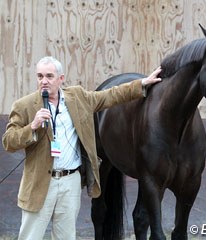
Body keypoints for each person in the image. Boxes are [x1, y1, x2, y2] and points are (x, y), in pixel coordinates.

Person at [2, 56, 162, 240]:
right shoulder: (24, 106)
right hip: (39, 183)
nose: (44, 81)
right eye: (39, 76)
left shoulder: (77, 97)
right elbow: (9, 141)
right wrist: (32, 127)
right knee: (30, 237)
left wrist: (142, 83)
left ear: (61, 78)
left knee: (66, 236)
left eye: (49, 76)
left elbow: (110, 95)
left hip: (70, 182)